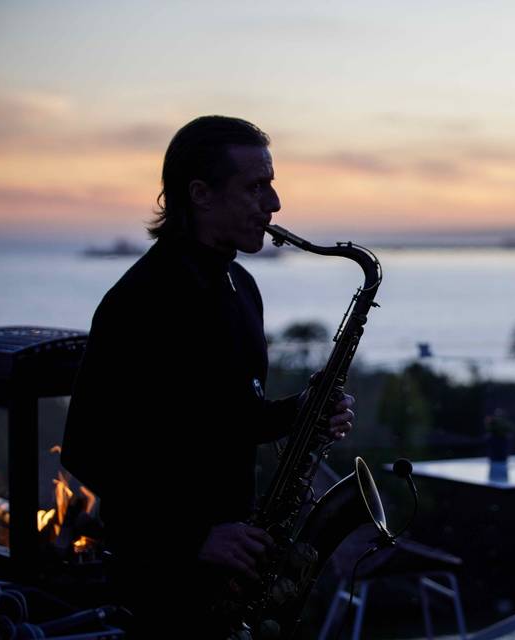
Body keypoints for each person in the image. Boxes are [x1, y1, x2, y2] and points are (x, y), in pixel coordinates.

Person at [61, 116, 354, 637]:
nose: (275, 204)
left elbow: (232, 420)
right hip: (163, 576)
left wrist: (301, 411)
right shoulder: (140, 301)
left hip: (233, 564)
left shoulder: (240, 285)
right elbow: (88, 449)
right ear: (200, 194)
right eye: (256, 186)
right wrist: (193, 537)